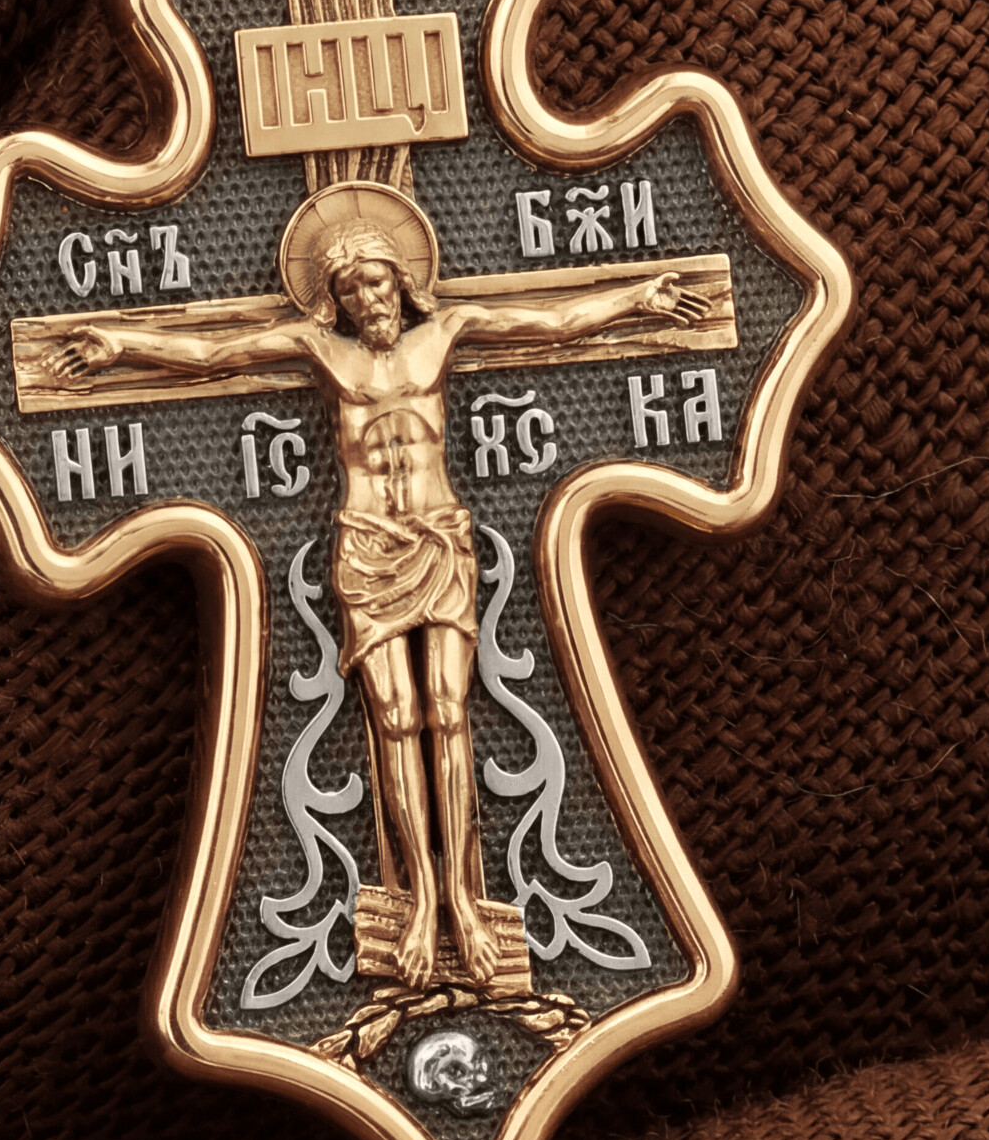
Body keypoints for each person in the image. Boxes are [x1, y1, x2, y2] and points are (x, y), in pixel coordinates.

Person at [48, 185, 710, 991]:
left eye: (376, 280)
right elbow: (214, 354)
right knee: (395, 718)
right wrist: (120, 343)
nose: (368, 299)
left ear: (403, 280)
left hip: (438, 540)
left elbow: (552, 322)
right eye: (351, 288)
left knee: (448, 711)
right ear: (335, 299)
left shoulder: (446, 334)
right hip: (367, 546)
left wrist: (637, 299)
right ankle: (421, 899)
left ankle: (464, 901)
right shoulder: (321, 350)